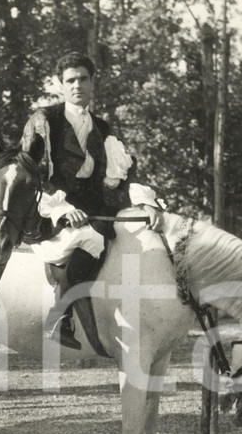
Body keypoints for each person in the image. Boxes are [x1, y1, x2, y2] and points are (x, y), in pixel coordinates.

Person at [20, 51, 164, 349]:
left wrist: (148, 202)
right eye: (70, 80)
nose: (77, 85)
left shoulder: (102, 128)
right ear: (60, 85)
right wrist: (62, 211)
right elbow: (31, 174)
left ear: (92, 83)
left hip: (94, 209)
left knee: (131, 234)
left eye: (83, 79)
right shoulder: (45, 120)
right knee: (94, 237)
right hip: (49, 212)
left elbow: (122, 176)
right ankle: (59, 314)